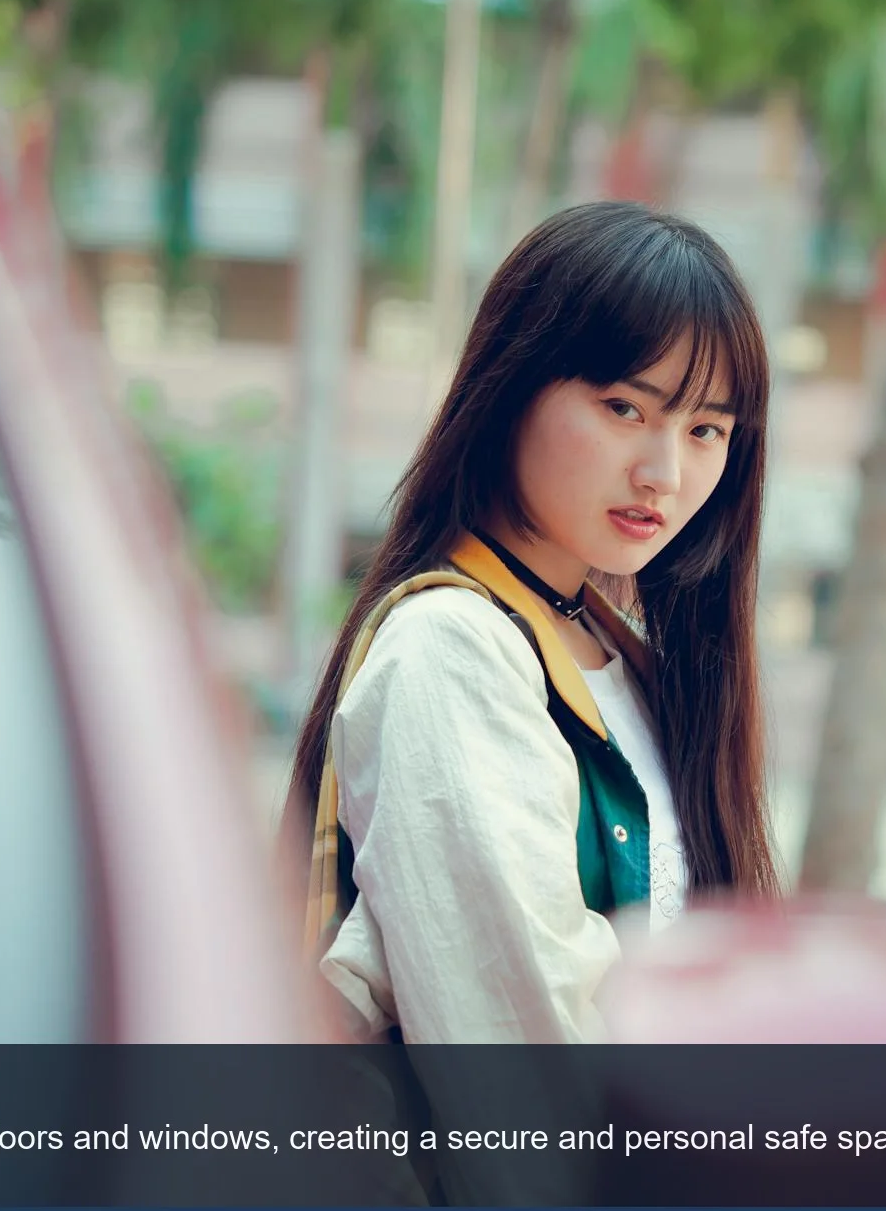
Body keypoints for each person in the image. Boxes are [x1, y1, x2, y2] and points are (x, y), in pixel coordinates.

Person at [287, 200, 780, 1045]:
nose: (664, 472)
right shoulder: (451, 651)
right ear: (512, 387)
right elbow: (524, 1065)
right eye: (626, 408)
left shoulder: (620, 654)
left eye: (705, 429)